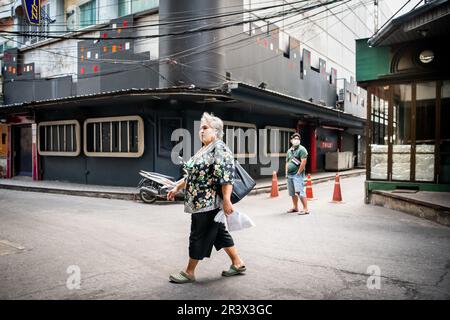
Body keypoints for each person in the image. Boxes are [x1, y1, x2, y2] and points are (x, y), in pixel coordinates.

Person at [167, 112, 246, 284]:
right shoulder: (204, 149)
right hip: (199, 201)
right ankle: (238, 263)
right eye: (200, 128)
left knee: (197, 235)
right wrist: (177, 187)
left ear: (216, 131)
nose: (201, 131)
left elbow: (226, 176)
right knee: (219, 233)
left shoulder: (220, 148)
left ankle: (189, 272)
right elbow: (192, 175)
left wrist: (226, 199)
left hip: (208, 203)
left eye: (205, 128)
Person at [285, 132, 309, 214]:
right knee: (292, 192)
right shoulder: (289, 151)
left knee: (299, 191)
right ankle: (295, 207)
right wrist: (286, 172)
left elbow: (303, 162)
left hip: (297, 175)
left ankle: (305, 209)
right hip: (290, 175)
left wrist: (299, 172)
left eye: (298, 139)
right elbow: (287, 162)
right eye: (295, 139)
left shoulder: (302, 149)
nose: (296, 140)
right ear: (291, 140)